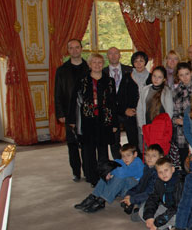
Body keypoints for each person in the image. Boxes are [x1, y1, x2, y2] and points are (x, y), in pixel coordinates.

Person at [68, 53, 118, 187]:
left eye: (100, 62)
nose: (97, 65)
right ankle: (91, 178)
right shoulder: (82, 81)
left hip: (104, 120)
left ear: (103, 64)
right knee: (88, 151)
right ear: (89, 65)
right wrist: (72, 120)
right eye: (94, 62)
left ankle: (103, 176)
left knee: (103, 151)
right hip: (86, 121)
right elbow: (74, 101)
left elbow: (113, 103)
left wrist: (114, 123)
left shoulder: (109, 81)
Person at [54, 38, 89, 182]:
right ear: (68, 51)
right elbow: (57, 93)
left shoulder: (89, 67)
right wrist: (60, 113)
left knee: (87, 144)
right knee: (72, 143)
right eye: (71, 48)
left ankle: (88, 171)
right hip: (69, 111)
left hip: (87, 112)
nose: (74, 50)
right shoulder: (61, 70)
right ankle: (76, 171)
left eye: (77, 47)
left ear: (81, 49)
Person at [74, 143, 145, 213]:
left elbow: (122, 174)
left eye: (128, 155)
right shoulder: (125, 161)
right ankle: (93, 196)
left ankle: (102, 200)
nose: (126, 158)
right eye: (123, 156)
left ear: (135, 154)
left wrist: (111, 171)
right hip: (126, 189)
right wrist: (108, 172)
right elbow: (115, 162)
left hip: (135, 191)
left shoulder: (138, 164)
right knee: (108, 173)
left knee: (121, 177)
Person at [116, 51, 150, 157]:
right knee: (133, 143)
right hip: (131, 117)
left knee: (147, 142)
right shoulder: (127, 77)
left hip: (147, 116)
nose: (139, 63)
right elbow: (120, 98)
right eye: (136, 61)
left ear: (145, 62)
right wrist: (125, 110)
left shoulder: (152, 77)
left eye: (141, 61)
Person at [121, 144, 164, 220]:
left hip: (156, 199)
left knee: (137, 216)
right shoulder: (147, 168)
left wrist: (132, 199)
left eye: (153, 156)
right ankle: (137, 205)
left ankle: (139, 207)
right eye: (147, 155)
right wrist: (129, 194)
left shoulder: (159, 173)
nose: (149, 158)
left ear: (161, 157)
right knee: (128, 196)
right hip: (146, 195)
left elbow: (150, 193)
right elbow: (140, 185)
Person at [136, 66, 174, 152]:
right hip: (147, 126)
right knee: (147, 151)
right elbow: (140, 109)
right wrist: (142, 126)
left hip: (160, 128)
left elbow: (169, 112)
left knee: (159, 152)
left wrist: (165, 127)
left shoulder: (166, 91)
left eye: (159, 77)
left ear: (164, 79)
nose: (156, 79)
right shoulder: (145, 89)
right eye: (154, 76)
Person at [141, 157, 183, 230]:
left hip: (179, 210)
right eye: (160, 172)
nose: (163, 174)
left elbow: (176, 207)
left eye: (166, 170)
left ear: (173, 169)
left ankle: (169, 226)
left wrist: (157, 222)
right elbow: (153, 198)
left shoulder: (179, 182)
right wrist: (149, 217)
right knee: (142, 210)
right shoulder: (159, 182)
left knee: (177, 218)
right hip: (167, 208)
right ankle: (168, 227)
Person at [172, 62, 192, 168]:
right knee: (184, 162)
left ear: (191, 73)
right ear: (178, 76)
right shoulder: (175, 92)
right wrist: (177, 120)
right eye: (181, 75)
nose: (185, 77)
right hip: (181, 133)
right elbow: (172, 113)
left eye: (187, 74)